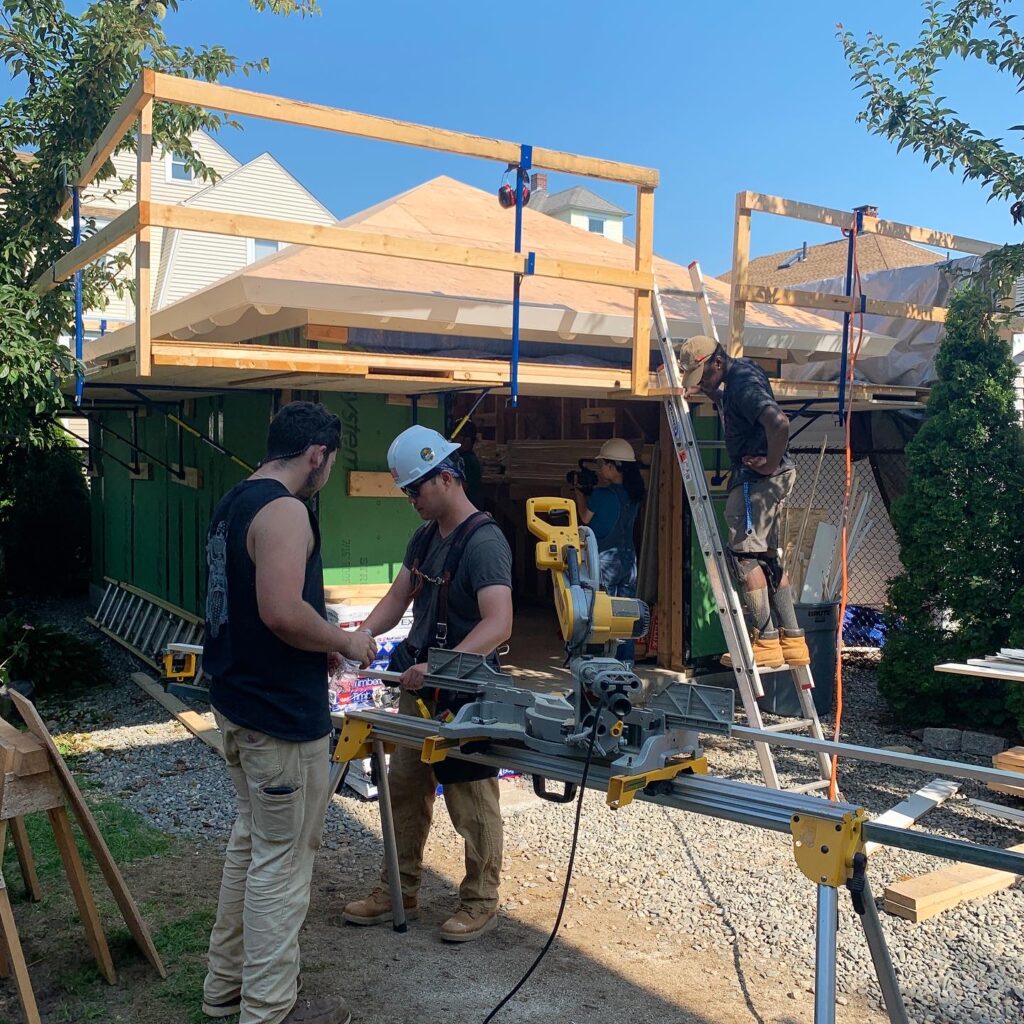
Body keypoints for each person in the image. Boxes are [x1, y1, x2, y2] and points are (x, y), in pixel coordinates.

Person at [201, 401, 377, 1024]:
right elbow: (279, 610)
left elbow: (259, 612)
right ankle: (269, 1011)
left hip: (241, 702)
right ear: (317, 456)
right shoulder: (285, 511)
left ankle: (224, 992)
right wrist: (343, 640)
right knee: (282, 865)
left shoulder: (235, 503)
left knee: (252, 848)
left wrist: (316, 638)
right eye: (329, 463)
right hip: (277, 720)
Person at [342, 424, 513, 943]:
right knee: (404, 791)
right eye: (407, 491)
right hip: (422, 689)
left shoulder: (484, 541)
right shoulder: (424, 538)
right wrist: (362, 635)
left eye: (416, 488)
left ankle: (480, 900)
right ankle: (400, 887)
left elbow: (498, 623)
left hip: (466, 694)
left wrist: (442, 666)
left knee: (470, 798)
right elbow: (399, 597)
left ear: (445, 476)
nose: (411, 499)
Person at [677, 336, 810, 669]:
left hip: (757, 480)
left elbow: (779, 422)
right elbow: (736, 402)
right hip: (768, 479)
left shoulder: (742, 386)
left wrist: (768, 463)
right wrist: (710, 393)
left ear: (717, 362)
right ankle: (792, 641)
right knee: (767, 557)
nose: (703, 382)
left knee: (744, 557)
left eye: (703, 376)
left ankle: (765, 640)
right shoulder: (743, 372)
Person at [569, 438, 645, 667]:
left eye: (602, 464)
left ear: (613, 466)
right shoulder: (635, 493)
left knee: (600, 613)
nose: (600, 469)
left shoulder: (603, 495)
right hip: (628, 560)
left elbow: (584, 518)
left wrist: (579, 494)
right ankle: (626, 663)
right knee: (626, 613)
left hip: (604, 561)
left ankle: (603, 663)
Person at [456, 418, 483, 506]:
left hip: (469, 507)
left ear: (467, 440)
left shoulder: (468, 460)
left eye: (457, 437)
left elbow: (461, 488)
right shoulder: (459, 458)